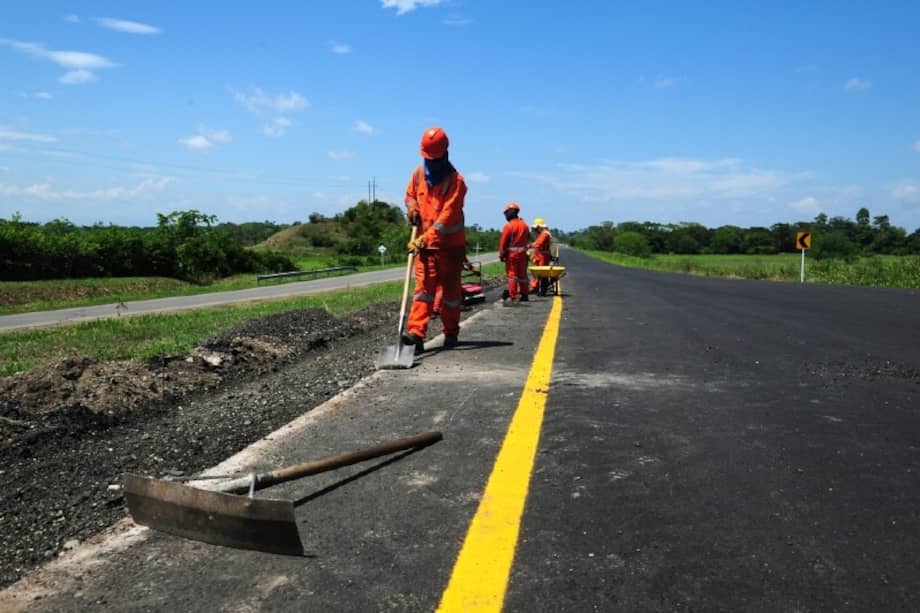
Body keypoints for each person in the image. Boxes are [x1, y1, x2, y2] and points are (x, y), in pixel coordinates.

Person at [403, 127, 468, 351]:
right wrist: (412, 210)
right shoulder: (418, 174)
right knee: (423, 290)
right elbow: (410, 195)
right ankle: (416, 334)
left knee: (450, 293)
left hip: (450, 248)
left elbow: (446, 218)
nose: (429, 161)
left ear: (444, 154)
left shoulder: (456, 182)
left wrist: (425, 238)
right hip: (426, 247)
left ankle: (450, 332)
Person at [498, 203, 530, 302]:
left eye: (506, 214)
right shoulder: (525, 225)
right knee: (523, 275)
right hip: (523, 255)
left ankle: (513, 295)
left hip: (512, 256)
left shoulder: (508, 226)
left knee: (512, 275)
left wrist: (501, 255)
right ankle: (524, 294)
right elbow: (527, 239)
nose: (505, 216)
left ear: (510, 213)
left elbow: (503, 243)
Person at [529, 217, 553, 293]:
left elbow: (538, 244)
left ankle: (541, 289)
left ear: (539, 227)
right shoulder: (542, 234)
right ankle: (535, 287)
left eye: (536, 228)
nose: (535, 230)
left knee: (542, 273)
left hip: (542, 257)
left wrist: (529, 245)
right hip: (540, 256)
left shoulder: (544, 234)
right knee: (537, 273)